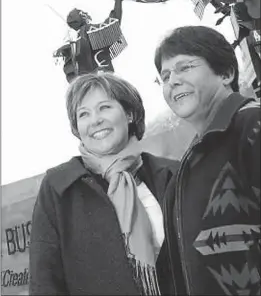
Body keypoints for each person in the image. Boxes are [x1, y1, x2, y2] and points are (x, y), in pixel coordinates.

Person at [29, 72, 178, 295]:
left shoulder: (173, 175)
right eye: (84, 114)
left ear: (129, 113)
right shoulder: (59, 188)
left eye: (104, 107)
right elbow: (45, 282)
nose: (95, 120)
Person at [154, 25, 260, 295]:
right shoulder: (185, 167)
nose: (172, 81)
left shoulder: (252, 126)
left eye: (185, 67)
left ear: (226, 73)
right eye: (165, 76)